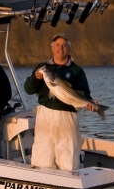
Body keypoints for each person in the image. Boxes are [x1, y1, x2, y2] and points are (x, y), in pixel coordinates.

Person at [24, 33, 97, 171]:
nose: (60, 48)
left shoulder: (77, 71)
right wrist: (36, 77)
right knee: (42, 156)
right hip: (45, 115)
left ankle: (69, 187)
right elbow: (28, 89)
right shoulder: (43, 67)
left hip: (67, 117)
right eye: (57, 45)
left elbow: (85, 94)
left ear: (68, 49)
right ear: (52, 48)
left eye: (64, 45)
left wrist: (90, 102)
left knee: (68, 158)